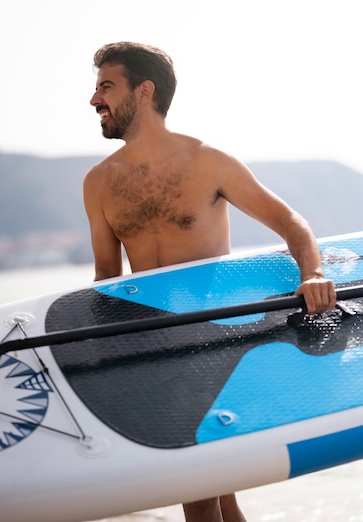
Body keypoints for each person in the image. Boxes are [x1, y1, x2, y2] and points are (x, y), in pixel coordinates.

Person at [83, 42, 336, 522]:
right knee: (213, 489)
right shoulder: (98, 183)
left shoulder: (207, 162)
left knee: (199, 487)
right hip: (154, 342)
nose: (94, 100)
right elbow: (106, 279)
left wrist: (314, 273)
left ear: (145, 91)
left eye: (106, 87)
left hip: (214, 337)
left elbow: (290, 222)